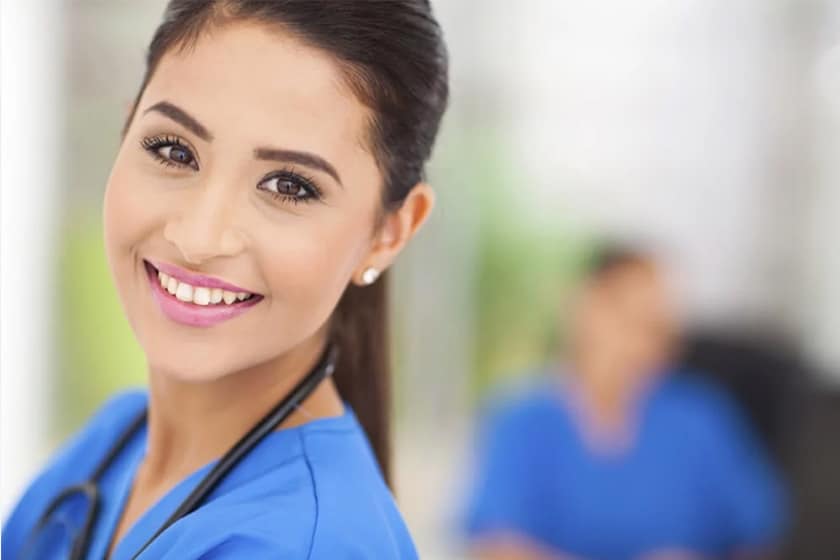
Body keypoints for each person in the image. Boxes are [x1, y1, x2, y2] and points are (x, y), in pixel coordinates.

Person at [2, 1, 449, 558]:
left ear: (390, 231)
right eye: (174, 150)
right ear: (126, 126)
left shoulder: (308, 545)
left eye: (289, 186)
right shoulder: (114, 441)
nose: (199, 236)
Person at [459, 245, 788, 560]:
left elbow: (759, 535)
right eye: (629, 318)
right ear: (583, 308)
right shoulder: (521, 421)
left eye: (657, 326)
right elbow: (495, 546)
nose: (643, 341)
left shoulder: (701, 419)